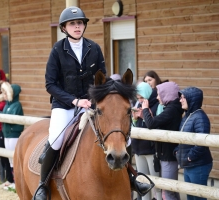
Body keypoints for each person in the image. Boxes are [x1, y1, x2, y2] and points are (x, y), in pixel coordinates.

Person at [33, 7, 151, 200]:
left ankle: (131, 177)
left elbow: (102, 80)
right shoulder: (57, 50)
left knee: (124, 138)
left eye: (80, 23)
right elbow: (50, 84)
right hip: (64, 105)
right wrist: (75, 100)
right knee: (55, 140)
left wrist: (108, 94)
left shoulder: (94, 48)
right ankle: (43, 185)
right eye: (72, 23)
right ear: (64, 28)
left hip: (90, 105)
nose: (77, 26)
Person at [142, 82, 183, 200]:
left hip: (168, 156)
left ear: (167, 94)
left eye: (160, 94)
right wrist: (149, 115)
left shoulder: (172, 110)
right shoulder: (172, 108)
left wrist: (145, 110)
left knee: (168, 192)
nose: (157, 97)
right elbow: (158, 123)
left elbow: (151, 124)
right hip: (166, 154)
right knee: (172, 191)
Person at [175, 87, 213, 200]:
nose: (180, 100)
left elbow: (202, 142)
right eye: (180, 98)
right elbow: (182, 137)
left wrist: (190, 157)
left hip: (198, 165)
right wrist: (177, 150)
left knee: (198, 197)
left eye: (183, 98)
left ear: (192, 99)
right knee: (190, 196)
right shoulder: (187, 116)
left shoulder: (200, 117)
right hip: (189, 164)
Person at [131, 82, 162, 200]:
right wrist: (134, 119)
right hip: (139, 150)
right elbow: (134, 126)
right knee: (143, 184)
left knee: (157, 185)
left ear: (147, 94)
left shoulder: (156, 105)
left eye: (142, 97)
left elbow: (154, 125)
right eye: (138, 98)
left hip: (151, 150)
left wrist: (144, 114)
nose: (140, 100)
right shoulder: (138, 104)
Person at [0, 82, 24, 189]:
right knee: (10, 159)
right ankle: (12, 181)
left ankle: (17, 182)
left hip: (14, 134)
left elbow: (11, 118)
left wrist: (2, 116)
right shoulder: (7, 105)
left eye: (6, 93)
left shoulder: (17, 105)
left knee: (14, 158)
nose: (4, 95)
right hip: (6, 134)